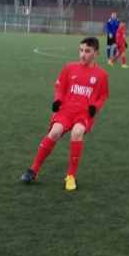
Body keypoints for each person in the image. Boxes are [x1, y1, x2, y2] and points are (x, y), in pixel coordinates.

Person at [20, 36, 109, 191]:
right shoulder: (69, 68)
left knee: (77, 133)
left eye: (87, 51)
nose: (83, 54)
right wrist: (58, 100)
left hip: (84, 113)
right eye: (81, 50)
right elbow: (60, 87)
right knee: (55, 132)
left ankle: (71, 176)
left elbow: (103, 96)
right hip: (66, 110)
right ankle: (34, 170)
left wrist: (95, 107)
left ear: (96, 54)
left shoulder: (101, 75)